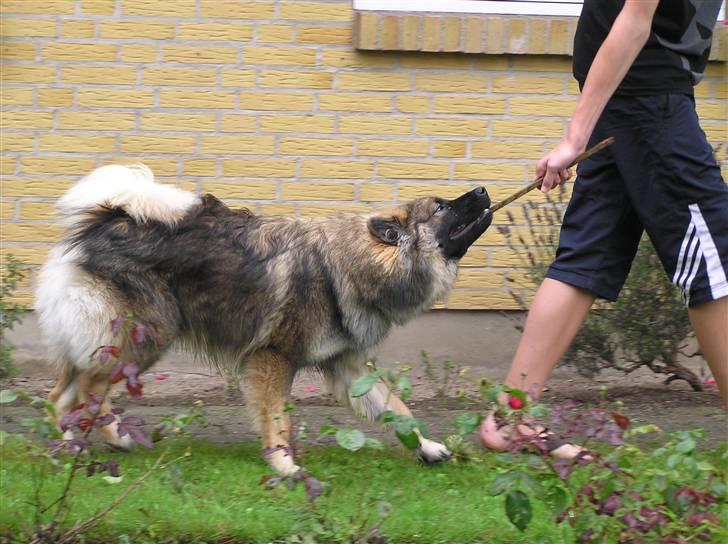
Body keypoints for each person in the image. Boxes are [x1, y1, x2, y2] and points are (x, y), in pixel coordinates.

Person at [480, 0, 728, 459]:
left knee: (585, 259)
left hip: (628, 94)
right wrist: (576, 137)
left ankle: (510, 418)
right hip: (649, 94)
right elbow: (634, 18)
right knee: (716, 259)